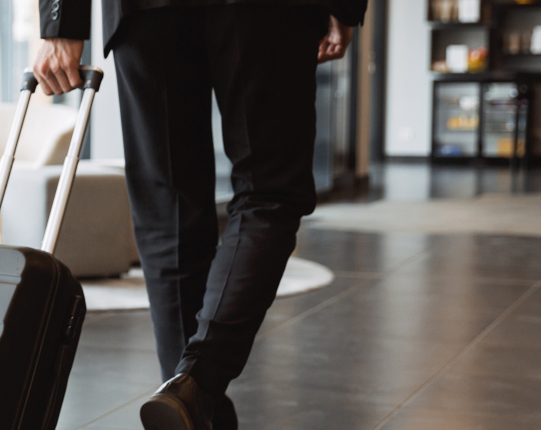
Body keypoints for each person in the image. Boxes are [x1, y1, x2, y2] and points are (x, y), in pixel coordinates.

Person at [34, 0, 366, 429]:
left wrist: (62, 21)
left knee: (167, 207)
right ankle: (196, 379)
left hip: (146, 11)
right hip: (270, 14)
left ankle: (191, 395)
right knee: (269, 192)